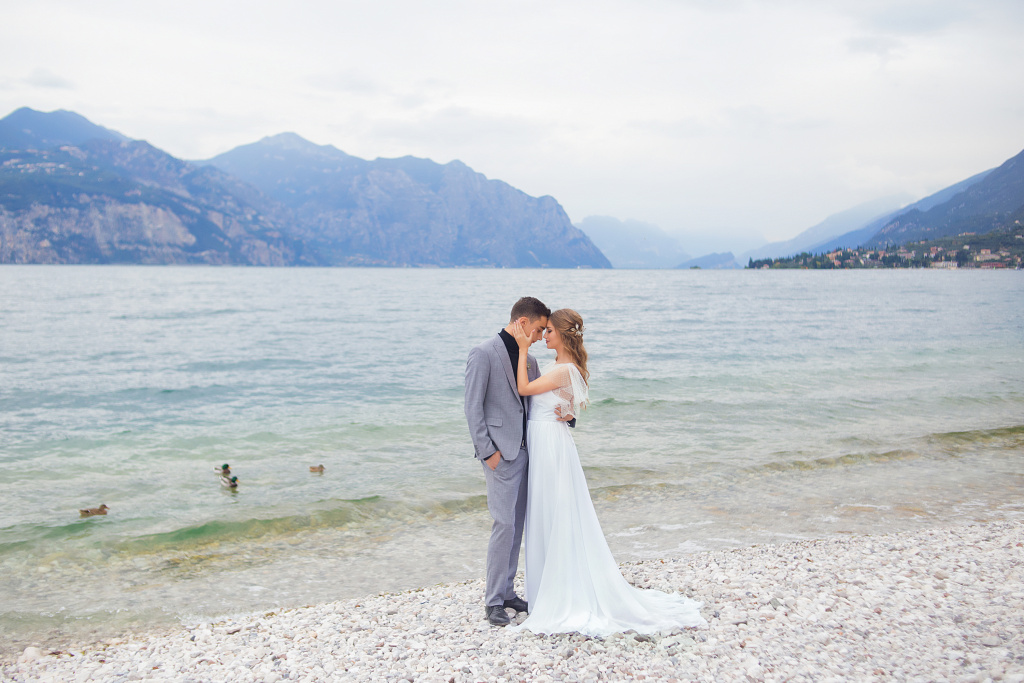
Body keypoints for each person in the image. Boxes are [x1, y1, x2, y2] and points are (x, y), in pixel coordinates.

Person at [509, 309, 706, 636]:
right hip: (546, 440)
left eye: (549, 332)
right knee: (547, 511)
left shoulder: (564, 369)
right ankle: (548, 587)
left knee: (555, 511)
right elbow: (566, 407)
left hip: (550, 445)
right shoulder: (561, 367)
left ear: (563, 334)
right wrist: (567, 412)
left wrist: (522, 348)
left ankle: (560, 591)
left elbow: (523, 388)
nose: (544, 336)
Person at [464, 297, 553, 627]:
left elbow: (537, 402)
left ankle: (507, 591)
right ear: (524, 323)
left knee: (516, 525)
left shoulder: (530, 360)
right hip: (500, 455)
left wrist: (566, 414)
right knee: (503, 525)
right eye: (540, 329)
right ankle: (492, 601)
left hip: (528, 453)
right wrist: (488, 453)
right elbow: (472, 407)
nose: (541, 336)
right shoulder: (483, 353)